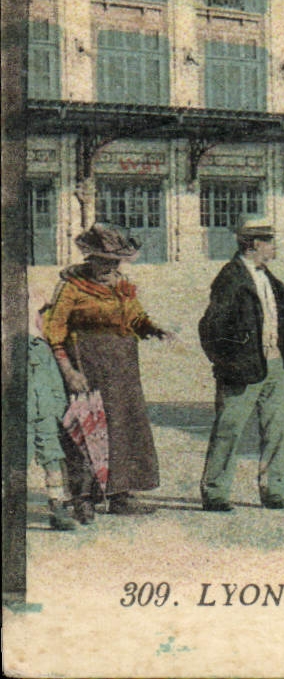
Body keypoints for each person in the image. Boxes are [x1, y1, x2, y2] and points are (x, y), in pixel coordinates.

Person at [41, 223, 174, 521]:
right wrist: (68, 371)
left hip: (122, 368)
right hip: (87, 366)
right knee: (85, 429)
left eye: (114, 262)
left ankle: (120, 495)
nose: (109, 267)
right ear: (90, 258)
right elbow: (54, 332)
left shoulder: (121, 284)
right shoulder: (71, 287)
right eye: (103, 261)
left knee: (124, 429)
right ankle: (83, 498)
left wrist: (153, 329)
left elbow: (135, 316)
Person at [198, 217, 284, 511]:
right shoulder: (230, 278)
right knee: (229, 428)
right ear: (255, 244)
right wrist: (228, 364)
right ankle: (215, 491)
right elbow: (210, 328)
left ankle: (275, 490)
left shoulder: (265, 274)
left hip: (274, 364)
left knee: (276, 429)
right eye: (269, 242)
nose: (274, 247)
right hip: (243, 370)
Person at [29, 299, 78, 531]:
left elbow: (55, 382)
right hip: (19, 418)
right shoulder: (10, 346)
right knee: (16, 461)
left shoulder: (42, 347)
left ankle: (57, 507)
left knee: (53, 459)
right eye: (40, 316)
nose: (43, 322)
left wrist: (59, 409)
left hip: (46, 415)